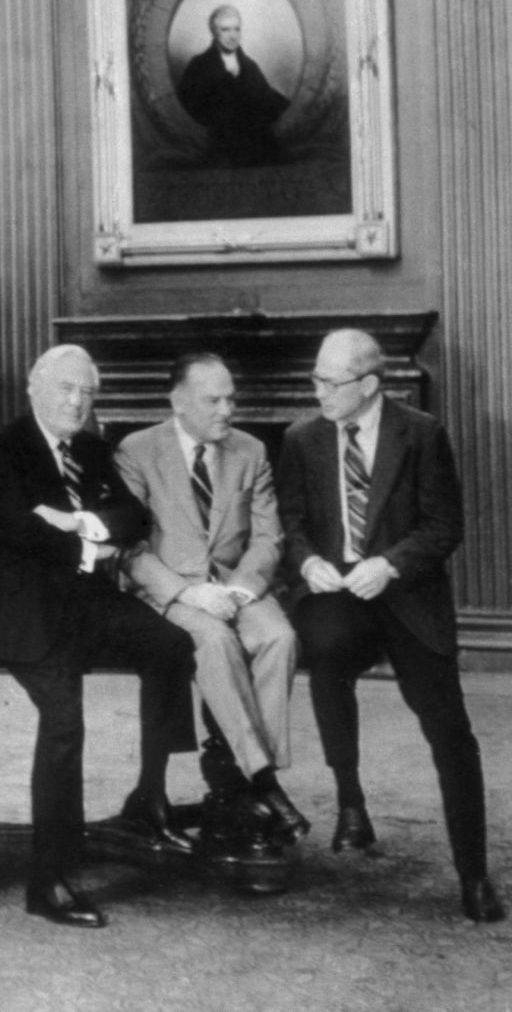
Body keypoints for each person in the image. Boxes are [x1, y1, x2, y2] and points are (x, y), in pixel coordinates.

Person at [278, 328, 505, 923]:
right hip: (339, 594)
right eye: (316, 380)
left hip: (406, 595)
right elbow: (292, 523)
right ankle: (350, 802)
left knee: (450, 730)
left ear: (371, 385)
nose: (318, 391)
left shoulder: (422, 434)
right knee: (323, 650)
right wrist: (308, 561)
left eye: (331, 382)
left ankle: (474, 873)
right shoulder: (302, 439)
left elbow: (442, 526)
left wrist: (391, 564)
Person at [0, 344, 196, 929]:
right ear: (34, 388)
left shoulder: (95, 449)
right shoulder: (2, 446)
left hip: (89, 602)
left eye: (87, 392)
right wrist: (90, 537)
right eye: (66, 390)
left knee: (171, 645)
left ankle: (148, 795)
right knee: (65, 723)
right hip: (26, 611)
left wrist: (75, 523)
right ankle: (48, 879)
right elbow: (12, 532)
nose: (76, 402)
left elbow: (134, 520)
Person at [115, 353, 308, 842]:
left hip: (236, 581)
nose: (227, 409)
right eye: (213, 399)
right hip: (172, 587)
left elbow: (268, 539)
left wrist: (240, 589)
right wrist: (188, 592)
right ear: (178, 402)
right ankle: (263, 782)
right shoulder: (136, 451)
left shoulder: (252, 451)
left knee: (279, 637)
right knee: (215, 643)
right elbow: (129, 546)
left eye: (231, 398)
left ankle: (243, 778)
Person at [176, 5, 291, 167]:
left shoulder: (250, 66)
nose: (233, 36)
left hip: (256, 149)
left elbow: (267, 97)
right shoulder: (199, 65)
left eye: (237, 29)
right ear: (215, 32)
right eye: (226, 30)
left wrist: (290, 108)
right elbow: (189, 106)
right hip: (217, 149)